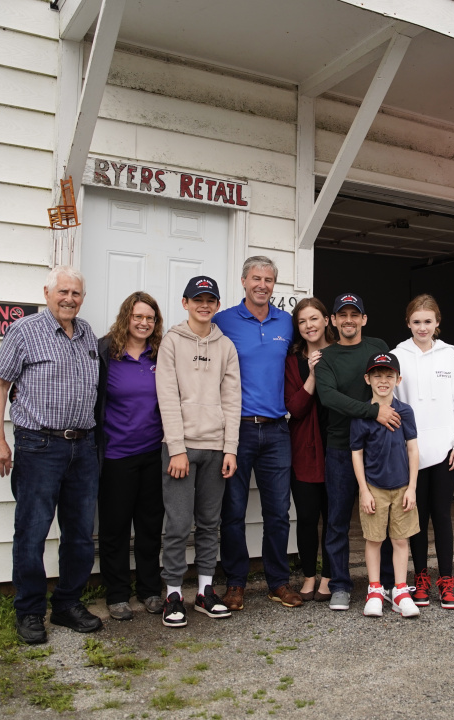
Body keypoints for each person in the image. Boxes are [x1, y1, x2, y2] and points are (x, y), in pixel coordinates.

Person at [0, 266, 102, 645]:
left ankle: (68, 604)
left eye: (76, 293)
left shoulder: (86, 332)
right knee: (33, 532)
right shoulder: (24, 331)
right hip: (39, 446)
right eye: (63, 291)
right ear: (47, 292)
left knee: (80, 535)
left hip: (84, 447)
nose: (70, 299)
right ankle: (30, 611)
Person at [214, 256, 300, 611]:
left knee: (278, 512)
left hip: (278, 429)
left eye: (268, 279)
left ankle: (277, 582)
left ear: (274, 285)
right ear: (243, 281)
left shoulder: (287, 322)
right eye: (255, 278)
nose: (262, 284)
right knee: (232, 511)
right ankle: (235, 583)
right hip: (237, 431)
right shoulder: (223, 321)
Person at [157, 276, 241, 628]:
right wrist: (176, 447)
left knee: (209, 523)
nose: (204, 305)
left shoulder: (226, 346)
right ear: (185, 302)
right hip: (181, 448)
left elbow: (232, 399)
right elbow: (167, 396)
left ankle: (205, 591)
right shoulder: (172, 342)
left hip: (215, 448)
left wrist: (230, 448)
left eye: (210, 300)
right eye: (197, 299)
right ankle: (173, 594)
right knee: (177, 524)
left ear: (217, 305)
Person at [314, 292, 398, 611]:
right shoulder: (326, 357)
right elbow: (329, 398)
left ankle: (387, 583)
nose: (348, 319)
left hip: (377, 447)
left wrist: (379, 414)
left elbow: (390, 383)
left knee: (383, 517)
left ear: (363, 319)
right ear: (333, 321)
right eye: (342, 315)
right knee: (337, 519)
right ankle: (339, 585)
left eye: (354, 314)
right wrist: (372, 410)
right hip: (339, 448)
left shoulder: (378, 348)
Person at [391, 294, 454, 609]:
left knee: (441, 516)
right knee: (416, 518)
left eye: (428, 321)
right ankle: (421, 579)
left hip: (445, 452)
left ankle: (447, 580)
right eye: (416, 322)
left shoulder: (451, 358)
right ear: (408, 323)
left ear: (437, 323)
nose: (422, 327)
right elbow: (390, 402)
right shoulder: (396, 356)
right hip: (410, 452)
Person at [93, 292, 166, 622]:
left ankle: (150, 589)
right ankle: (117, 594)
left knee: (150, 526)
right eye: (138, 316)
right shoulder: (105, 351)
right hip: (116, 455)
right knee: (115, 527)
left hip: (153, 452)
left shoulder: (161, 353)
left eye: (150, 318)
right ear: (126, 317)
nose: (144, 323)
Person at [351, 352, 420, 618]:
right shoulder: (362, 414)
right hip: (374, 488)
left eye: (389, 375)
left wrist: (412, 487)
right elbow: (356, 453)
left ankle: (400, 590)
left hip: (402, 487)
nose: (383, 380)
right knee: (374, 539)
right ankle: (375, 589)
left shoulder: (405, 411)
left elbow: (413, 450)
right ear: (367, 379)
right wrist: (364, 490)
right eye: (377, 375)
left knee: (401, 539)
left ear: (398, 379)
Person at [284, 298, 336, 602]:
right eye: (302, 322)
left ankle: (329, 575)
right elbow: (296, 408)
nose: (309, 326)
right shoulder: (293, 362)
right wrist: (313, 375)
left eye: (314, 319)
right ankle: (308, 575)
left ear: (326, 320)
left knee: (333, 517)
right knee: (306, 517)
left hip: (337, 446)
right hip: (304, 447)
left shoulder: (341, 353)